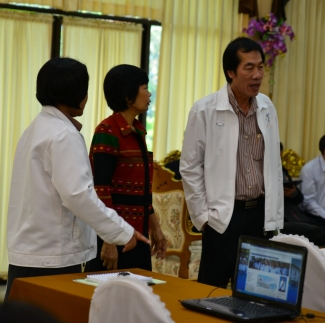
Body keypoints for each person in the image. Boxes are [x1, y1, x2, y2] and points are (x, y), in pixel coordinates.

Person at [6, 58, 149, 301]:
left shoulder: (35, 128)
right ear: (73, 92)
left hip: (30, 253)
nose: (87, 96)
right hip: (53, 257)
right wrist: (121, 231)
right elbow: (78, 195)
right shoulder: (63, 134)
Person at [180, 37, 283, 288]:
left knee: (256, 291)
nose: (257, 75)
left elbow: (273, 164)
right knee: (210, 292)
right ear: (230, 72)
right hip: (224, 217)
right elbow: (190, 167)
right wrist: (204, 218)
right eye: (249, 68)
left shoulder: (267, 107)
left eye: (260, 67)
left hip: (259, 216)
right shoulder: (204, 110)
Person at [85, 65, 166, 272]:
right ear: (128, 97)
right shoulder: (107, 131)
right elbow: (100, 190)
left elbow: (144, 192)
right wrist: (109, 238)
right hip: (115, 237)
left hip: (138, 234)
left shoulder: (137, 131)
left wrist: (155, 227)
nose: (149, 94)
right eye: (144, 87)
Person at [280, 143, 325, 245]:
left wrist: (293, 193)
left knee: (322, 230)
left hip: (293, 213)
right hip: (279, 217)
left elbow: (300, 199)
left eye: (280, 158)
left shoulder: (282, 170)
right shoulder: (260, 171)